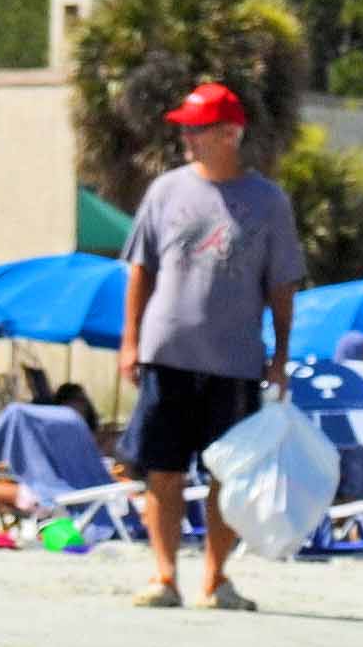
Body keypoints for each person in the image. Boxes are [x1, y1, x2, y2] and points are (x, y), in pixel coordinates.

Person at [116, 77, 304, 612]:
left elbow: (281, 285)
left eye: (197, 129)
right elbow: (140, 270)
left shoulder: (268, 203)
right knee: (163, 467)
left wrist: (281, 354)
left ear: (230, 133)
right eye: (187, 129)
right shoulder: (165, 191)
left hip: (235, 360)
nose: (188, 138)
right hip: (167, 352)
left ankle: (215, 580)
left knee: (229, 474)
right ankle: (164, 576)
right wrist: (130, 341)